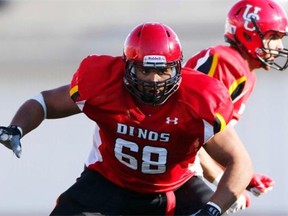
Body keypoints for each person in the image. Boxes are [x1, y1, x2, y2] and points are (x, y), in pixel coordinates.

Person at [0, 22, 253, 216]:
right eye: (145, 70)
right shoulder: (103, 84)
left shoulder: (199, 99)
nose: (155, 81)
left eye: (163, 70)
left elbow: (238, 161)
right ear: (127, 66)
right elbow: (45, 102)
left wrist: (213, 208)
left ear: (177, 68)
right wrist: (17, 127)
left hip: (173, 188)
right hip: (110, 181)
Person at [184, 0, 288, 213]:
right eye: (274, 37)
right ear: (249, 33)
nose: (279, 46)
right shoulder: (226, 63)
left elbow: (211, 138)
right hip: (170, 159)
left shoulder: (245, 72)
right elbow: (190, 132)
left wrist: (243, 177)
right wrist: (226, 180)